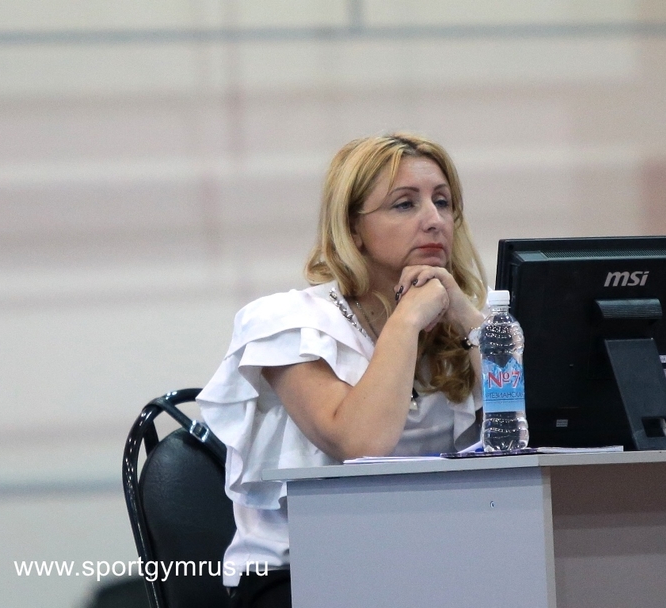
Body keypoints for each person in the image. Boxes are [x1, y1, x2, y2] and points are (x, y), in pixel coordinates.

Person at [197, 132, 489, 608]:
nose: (434, 220)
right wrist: (406, 320)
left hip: (428, 566)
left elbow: (538, 428)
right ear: (353, 229)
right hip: (301, 575)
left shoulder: (460, 321)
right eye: (404, 204)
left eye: (443, 202)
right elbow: (362, 444)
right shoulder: (287, 322)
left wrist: (468, 318)